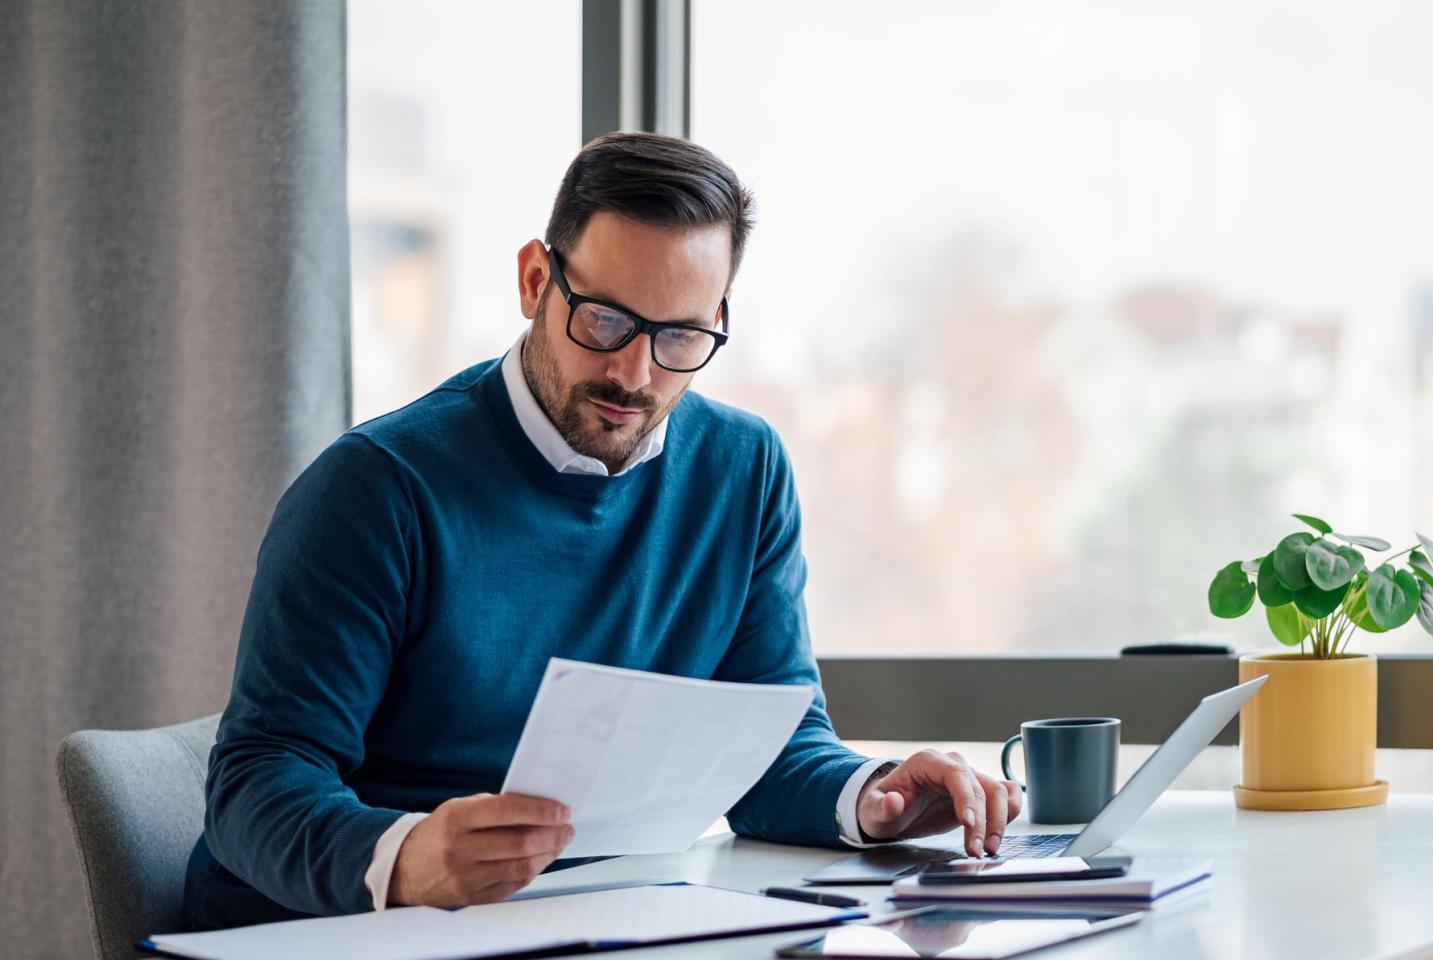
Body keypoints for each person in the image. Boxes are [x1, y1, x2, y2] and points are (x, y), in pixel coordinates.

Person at [181, 132, 1021, 928]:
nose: (634, 372)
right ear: (534, 281)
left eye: (681, 336)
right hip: (335, 932)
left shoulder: (745, 470)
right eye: (607, 321)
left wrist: (874, 795)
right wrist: (406, 857)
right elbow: (256, 785)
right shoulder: (376, 490)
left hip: (583, 918)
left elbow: (771, 746)